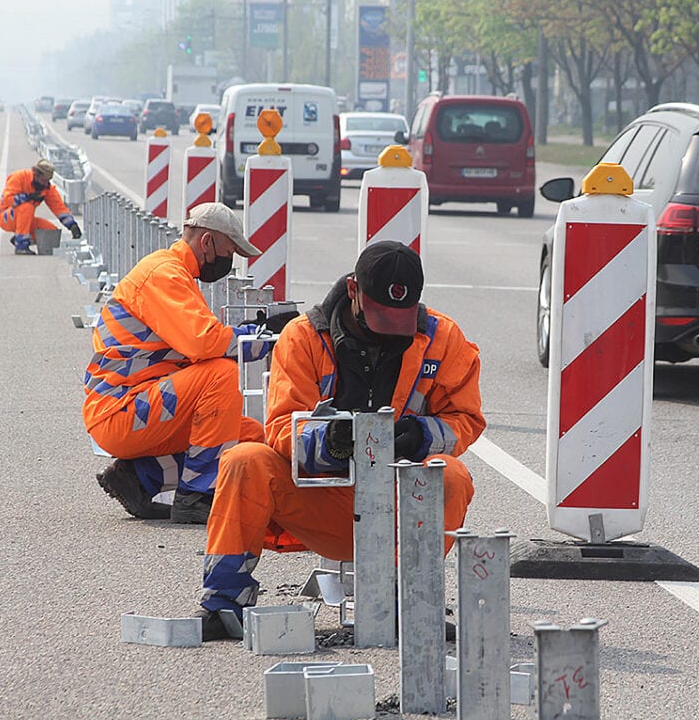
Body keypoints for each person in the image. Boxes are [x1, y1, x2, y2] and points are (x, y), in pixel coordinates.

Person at [196, 240, 485, 640]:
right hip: (322, 501)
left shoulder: (442, 338)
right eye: (380, 319)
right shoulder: (303, 337)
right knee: (243, 460)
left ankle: (411, 601)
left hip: (400, 504)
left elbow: (465, 420)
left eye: (399, 322)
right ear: (354, 291)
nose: (390, 335)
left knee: (449, 475)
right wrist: (328, 443)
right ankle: (224, 604)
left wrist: (420, 436)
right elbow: (280, 427)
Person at [82, 202, 296, 523]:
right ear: (207, 242)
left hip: (140, 405)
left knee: (250, 440)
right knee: (222, 374)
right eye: (229, 251)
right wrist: (261, 336)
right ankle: (196, 495)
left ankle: (140, 479)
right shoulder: (163, 274)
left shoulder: (178, 274)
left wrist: (257, 332)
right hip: (120, 410)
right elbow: (204, 343)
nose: (230, 260)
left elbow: (206, 340)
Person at [0, 158, 82, 255]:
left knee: (51, 233)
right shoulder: (19, 177)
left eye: (47, 181)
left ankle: (19, 238)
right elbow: (7, 200)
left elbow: (59, 208)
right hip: (5, 216)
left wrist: (72, 225)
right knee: (27, 207)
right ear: (36, 174)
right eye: (43, 180)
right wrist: (27, 197)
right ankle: (21, 245)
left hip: (24, 219)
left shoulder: (46, 188)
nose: (45, 184)